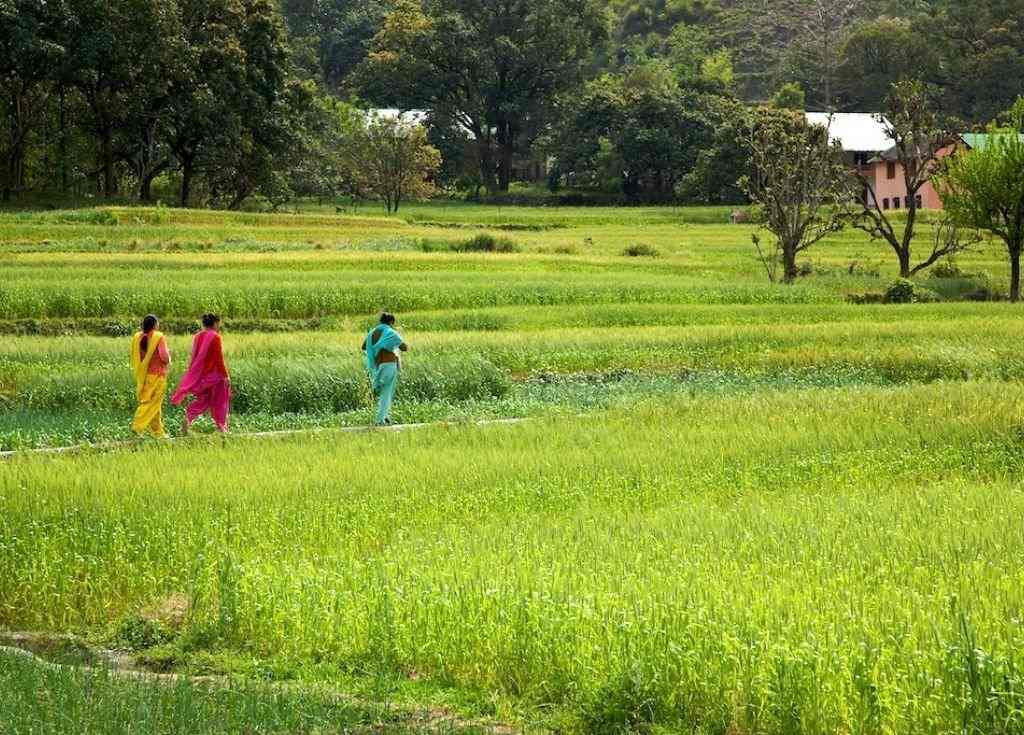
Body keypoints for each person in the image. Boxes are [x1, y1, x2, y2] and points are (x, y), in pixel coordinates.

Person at [172, 313, 231, 434]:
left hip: (202, 377)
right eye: (218, 323)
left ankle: (188, 418)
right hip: (215, 376)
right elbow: (218, 359)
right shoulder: (215, 337)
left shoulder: (198, 336)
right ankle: (222, 428)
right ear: (215, 323)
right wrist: (226, 376)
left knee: (204, 400)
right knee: (221, 401)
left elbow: (194, 356)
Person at [361, 312, 408, 426]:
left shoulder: (372, 333)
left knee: (383, 392)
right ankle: (380, 420)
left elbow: (363, 346)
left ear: (381, 321)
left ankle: (385, 417)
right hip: (389, 365)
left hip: (377, 366)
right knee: (387, 392)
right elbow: (404, 347)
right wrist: (393, 343)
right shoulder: (391, 332)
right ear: (391, 322)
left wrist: (378, 346)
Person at [131, 314, 171, 438]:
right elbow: (164, 357)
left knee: (155, 406)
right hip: (158, 376)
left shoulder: (138, 337)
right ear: (155, 324)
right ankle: (137, 426)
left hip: (147, 376)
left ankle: (158, 433)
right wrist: (169, 358)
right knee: (150, 403)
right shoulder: (158, 337)